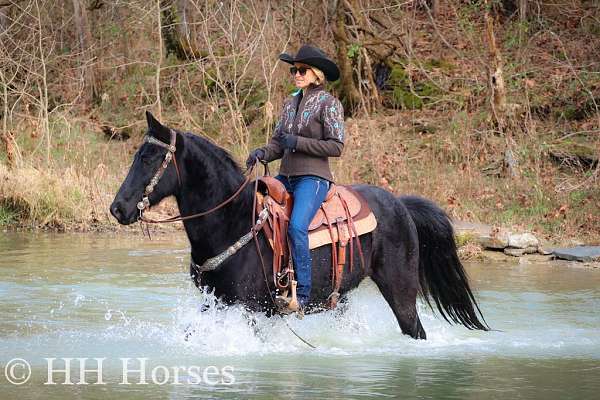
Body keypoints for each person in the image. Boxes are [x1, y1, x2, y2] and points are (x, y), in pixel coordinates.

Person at [246, 44, 345, 313]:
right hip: (285, 176)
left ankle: (302, 295)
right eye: (294, 70)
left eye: (302, 70)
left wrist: (298, 142)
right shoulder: (289, 104)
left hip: (313, 179)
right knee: (255, 218)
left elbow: (336, 146)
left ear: (316, 75)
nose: (297, 74)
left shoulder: (329, 104)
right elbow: (279, 143)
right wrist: (262, 152)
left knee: (297, 227)